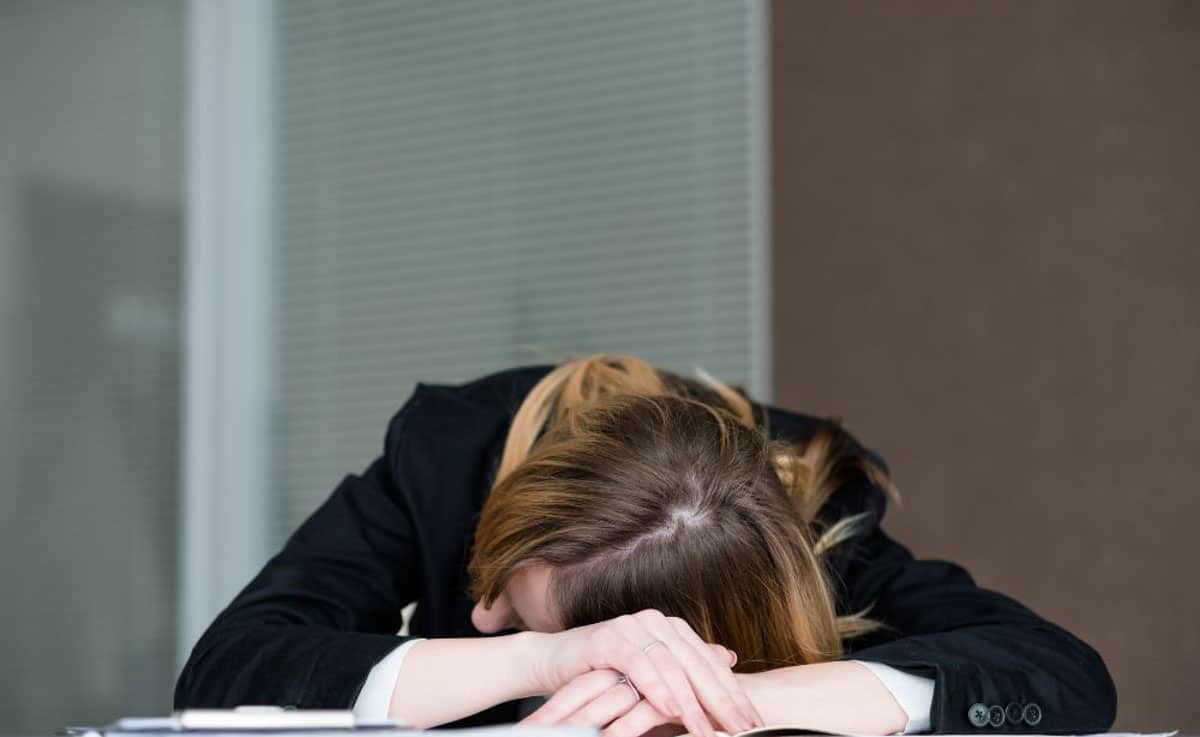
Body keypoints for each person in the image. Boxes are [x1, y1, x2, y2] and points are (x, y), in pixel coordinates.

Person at [174, 355, 1116, 736]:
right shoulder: (443, 459)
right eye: (501, 595)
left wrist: (722, 697)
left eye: (517, 619)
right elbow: (228, 669)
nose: (479, 615)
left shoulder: (810, 510)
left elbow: (1060, 674)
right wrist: (539, 655)